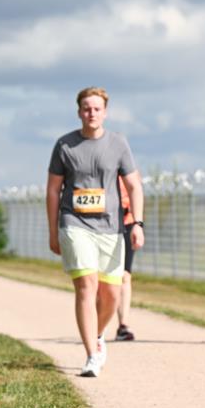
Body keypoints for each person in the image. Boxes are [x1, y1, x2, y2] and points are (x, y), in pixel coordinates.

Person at [47, 87, 145, 377]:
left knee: (111, 295)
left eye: (97, 109)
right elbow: (53, 190)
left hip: (111, 227)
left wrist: (137, 224)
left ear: (105, 112)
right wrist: (53, 231)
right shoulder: (64, 145)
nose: (91, 113)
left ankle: (98, 334)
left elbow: (134, 185)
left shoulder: (118, 143)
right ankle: (91, 355)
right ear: (79, 112)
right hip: (74, 223)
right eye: (86, 108)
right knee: (87, 287)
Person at [114, 176, 137, 341]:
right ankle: (96, 323)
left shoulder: (129, 170)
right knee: (106, 278)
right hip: (105, 225)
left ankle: (123, 324)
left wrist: (138, 224)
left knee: (125, 275)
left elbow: (136, 193)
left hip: (128, 223)